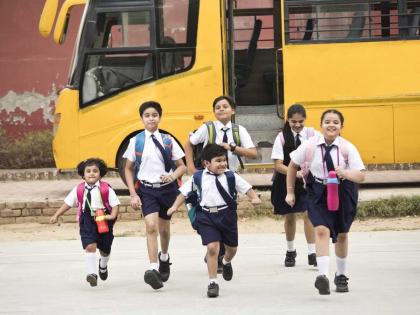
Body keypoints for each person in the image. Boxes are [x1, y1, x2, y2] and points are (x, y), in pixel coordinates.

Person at [285, 109, 365, 295]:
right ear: (321, 125)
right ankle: (322, 276)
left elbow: (361, 175)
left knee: (342, 234)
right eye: (327, 121)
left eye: (335, 122)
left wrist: (345, 173)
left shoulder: (347, 148)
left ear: (341, 127)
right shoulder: (310, 145)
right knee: (320, 229)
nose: (331, 125)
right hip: (318, 191)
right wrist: (290, 192)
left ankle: (341, 275)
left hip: (343, 190)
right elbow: (292, 166)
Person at [167, 144, 261, 298]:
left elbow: (247, 188)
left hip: (227, 216)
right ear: (206, 163)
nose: (223, 164)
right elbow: (184, 193)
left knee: (232, 249)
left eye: (224, 160)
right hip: (207, 216)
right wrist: (174, 206)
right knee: (212, 247)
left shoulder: (231, 176)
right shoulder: (198, 177)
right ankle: (213, 283)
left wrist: (255, 197)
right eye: (218, 161)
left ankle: (225, 262)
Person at [184, 95, 258, 269]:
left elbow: (253, 153)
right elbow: (189, 143)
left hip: (229, 180)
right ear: (214, 111)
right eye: (218, 107)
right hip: (208, 180)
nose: (222, 109)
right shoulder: (207, 128)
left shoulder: (239, 130)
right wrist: (191, 168)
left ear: (233, 110)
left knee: (226, 215)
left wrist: (232, 148)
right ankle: (213, 248)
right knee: (204, 216)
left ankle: (220, 255)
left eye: (225, 106)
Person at [123, 101, 187, 290]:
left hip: (167, 190)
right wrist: (133, 194)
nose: (151, 118)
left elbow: (182, 166)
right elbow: (128, 169)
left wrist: (172, 176)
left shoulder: (168, 140)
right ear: (142, 118)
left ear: (160, 117)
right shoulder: (136, 141)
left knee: (164, 229)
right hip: (147, 190)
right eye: (147, 115)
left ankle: (164, 257)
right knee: (151, 227)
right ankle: (153, 269)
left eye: (154, 115)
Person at [50, 158, 120, 287]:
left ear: (100, 174)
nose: (91, 173)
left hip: (103, 219)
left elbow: (115, 204)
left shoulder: (106, 189)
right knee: (89, 246)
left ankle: (103, 265)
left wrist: (112, 216)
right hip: (87, 220)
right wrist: (56, 215)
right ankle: (92, 274)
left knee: (105, 249)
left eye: (95, 171)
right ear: (83, 174)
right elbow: (68, 203)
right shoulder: (79, 189)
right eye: (88, 171)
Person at [271, 104, 318, 267]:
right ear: (288, 120)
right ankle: (290, 251)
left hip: (308, 181)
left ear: (305, 119)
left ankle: (312, 253)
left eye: (300, 121)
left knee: (308, 214)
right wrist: (295, 173)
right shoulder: (281, 137)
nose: (297, 125)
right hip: (286, 180)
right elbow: (278, 164)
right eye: (293, 122)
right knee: (290, 216)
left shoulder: (313, 135)